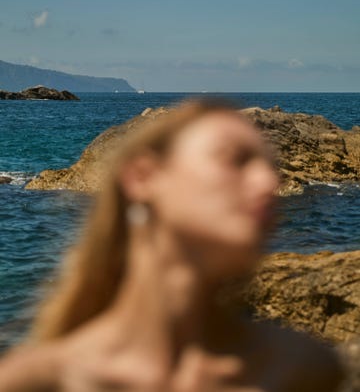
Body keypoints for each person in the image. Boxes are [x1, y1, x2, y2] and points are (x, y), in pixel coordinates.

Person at [0, 98, 344, 391]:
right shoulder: (35, 381)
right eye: (234, 159)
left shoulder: (303, 369)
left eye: (271, 165)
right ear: (144, 177)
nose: (269, 182)